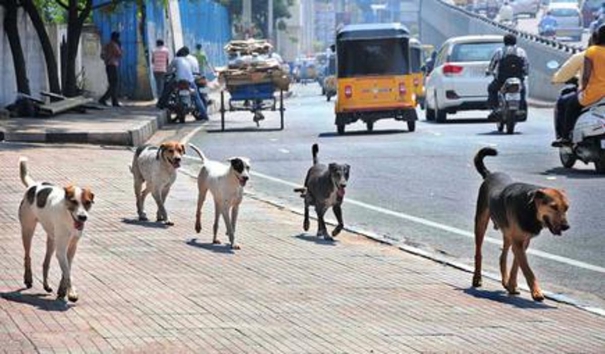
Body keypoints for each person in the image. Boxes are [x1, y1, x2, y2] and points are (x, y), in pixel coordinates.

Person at [552, 26, 605, 146]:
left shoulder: (592, 51)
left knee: (571, 105)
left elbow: (586, 75)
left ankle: (566, 138)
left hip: (594, 93)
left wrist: (583, 88)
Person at [486, 34, 529, 119]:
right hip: (518, 79)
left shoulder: (500, 51)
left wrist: (489, 71)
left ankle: (495, 108)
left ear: (504, 42)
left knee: (492, 88)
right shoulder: (521, 51)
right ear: (515, 42)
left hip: (502, 80)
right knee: (522, 90)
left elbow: (492, 64)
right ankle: (521, 108)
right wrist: (525, 73)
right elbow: (526, 65)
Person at [99, 31, 123, 107]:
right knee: (114, 84)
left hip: (108, 65)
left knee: (112, 84)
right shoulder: (114, 45)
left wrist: (107, 58)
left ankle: (114, 101)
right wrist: (120, 47)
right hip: (113, 65)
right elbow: (119, 54)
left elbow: (102, 56)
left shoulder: (107, 45)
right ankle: (104, 99)